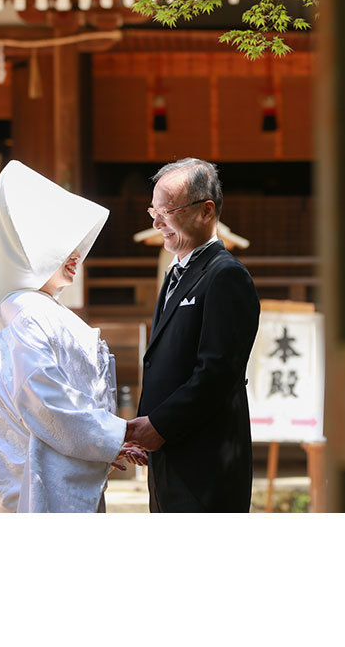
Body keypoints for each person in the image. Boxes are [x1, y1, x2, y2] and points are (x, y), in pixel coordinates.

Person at [0, 160, 145, 513]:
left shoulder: (33, 313)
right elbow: (46, 399)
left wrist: (107, 441)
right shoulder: (29, 315)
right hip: (49, 482)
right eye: (62, 247)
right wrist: (112, 436)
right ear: (29, 252)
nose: (76, 255)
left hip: (62, 470)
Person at [125, 158, 260, 512]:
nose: (156, 222)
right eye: (153, 211)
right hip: (168, 457)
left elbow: (217, 373)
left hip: (206, 466)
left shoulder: (226, 275)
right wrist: (146, 428)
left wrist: (158, 426)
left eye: (166, 211)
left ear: (206, 211)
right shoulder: (176, 273)